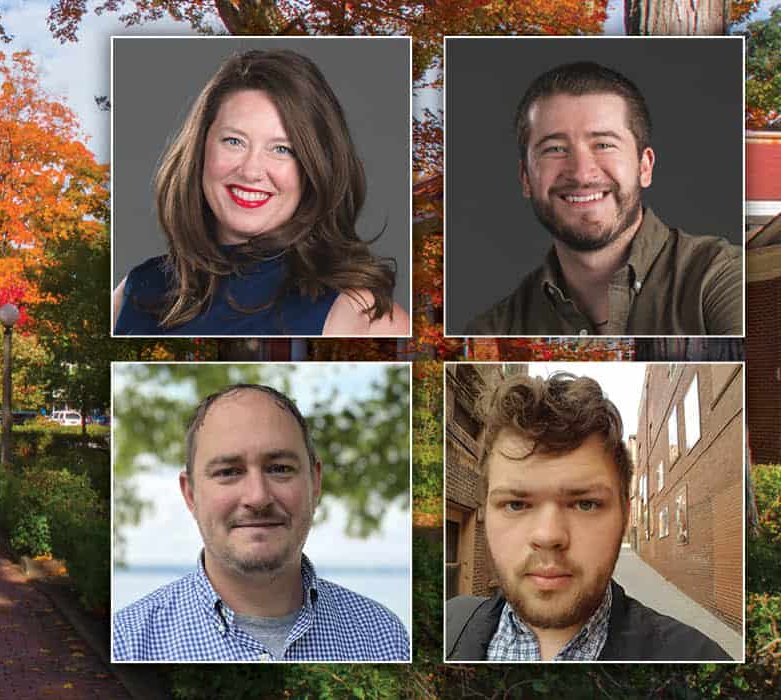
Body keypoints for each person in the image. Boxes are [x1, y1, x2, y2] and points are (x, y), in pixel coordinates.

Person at [112, 49, 409, 336]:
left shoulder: (362, 317)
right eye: (233, 141)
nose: (251, 171)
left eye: (282, 149)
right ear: (200, 149)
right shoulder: (135, 290)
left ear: (316, 166)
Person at [445, 373, 732, 661]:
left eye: (585, 504)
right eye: (516, 505)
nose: (548, 536)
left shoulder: (700, 658)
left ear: (625, 516)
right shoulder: (448, 626)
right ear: (485, 512)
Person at [113, 384, 410, 662]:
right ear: (190, 494)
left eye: (279, 468)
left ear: (314, 483)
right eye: (229, 471)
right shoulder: (127, 644)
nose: (258, 497)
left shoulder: (383, 637)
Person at [465, 61, 741, 336]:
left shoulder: (722, 279)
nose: (582, 173)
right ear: (526, 178)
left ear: (644, 167)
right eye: (555, 148)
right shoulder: (493, 332)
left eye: (604, 145)